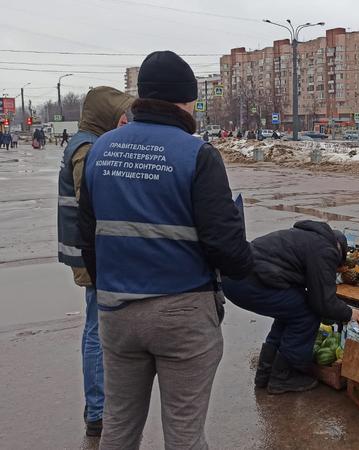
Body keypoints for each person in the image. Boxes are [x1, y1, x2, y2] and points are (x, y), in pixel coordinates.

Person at [78, 50, 253, 449]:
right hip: (183, 313)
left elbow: (88, 237)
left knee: (119, 427)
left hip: (117, 311)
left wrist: (110, 288)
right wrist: (246, 265)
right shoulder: (196, 153)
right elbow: (226, 246)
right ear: (186, 101)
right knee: (184, 433)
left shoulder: (100, 151)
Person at [57, 86, 135, 437]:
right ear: (105, 114)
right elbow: (90, 198)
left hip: (88, 248)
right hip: (90, 252)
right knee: (96, 328)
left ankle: (100, 406)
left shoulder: (88, 142)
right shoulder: (87, 148)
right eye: (119, 114)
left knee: (98, 325)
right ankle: (98, 410)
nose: (123, 121)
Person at [222, 220, 359, 394]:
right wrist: (349, 312)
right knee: (307, 313)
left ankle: (265, 373)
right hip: (248, 281)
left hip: (234, 278)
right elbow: (322, 302)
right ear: (339, 251)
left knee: (291, 310)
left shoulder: (308, 238)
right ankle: (283, 377)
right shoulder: (326, 250)